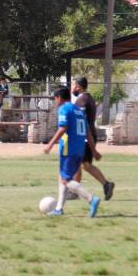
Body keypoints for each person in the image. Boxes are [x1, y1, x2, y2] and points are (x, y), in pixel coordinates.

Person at [43, 87, 101, 218]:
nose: (55, 102)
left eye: (55, 99)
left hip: (69, 149)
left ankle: (91, 199)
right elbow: (88, 133)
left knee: (66, 179)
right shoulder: (79, 111)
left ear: (59, 98)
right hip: (80, 149)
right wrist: (94, 150)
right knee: (62, 176)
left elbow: (63, 128)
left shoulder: (64, 108)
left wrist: (50, 144)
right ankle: (59, 209)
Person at [71, 77, 115, 200]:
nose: (72, 88)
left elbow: (81, 121)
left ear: (78, 86)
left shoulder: (82, 100)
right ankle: (106, 184)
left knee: (78, 164)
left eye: (74, 85)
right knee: (85, 165)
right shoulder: (88, 98)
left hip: (85, 136)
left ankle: (75, 192)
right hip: (87, 135)